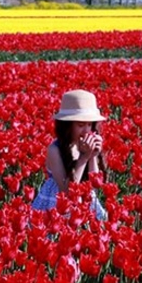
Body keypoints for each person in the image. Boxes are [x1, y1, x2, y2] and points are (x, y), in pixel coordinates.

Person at [32, 89, 108, 221]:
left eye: (89, 125)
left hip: (84, 202)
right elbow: (67, 190)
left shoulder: (85, 147)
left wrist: (93, 156)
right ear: (67, 126)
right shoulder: (54, 150)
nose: (86, 131)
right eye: (80, 125)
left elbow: (94, 185)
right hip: (57, 204)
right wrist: (84, 157)